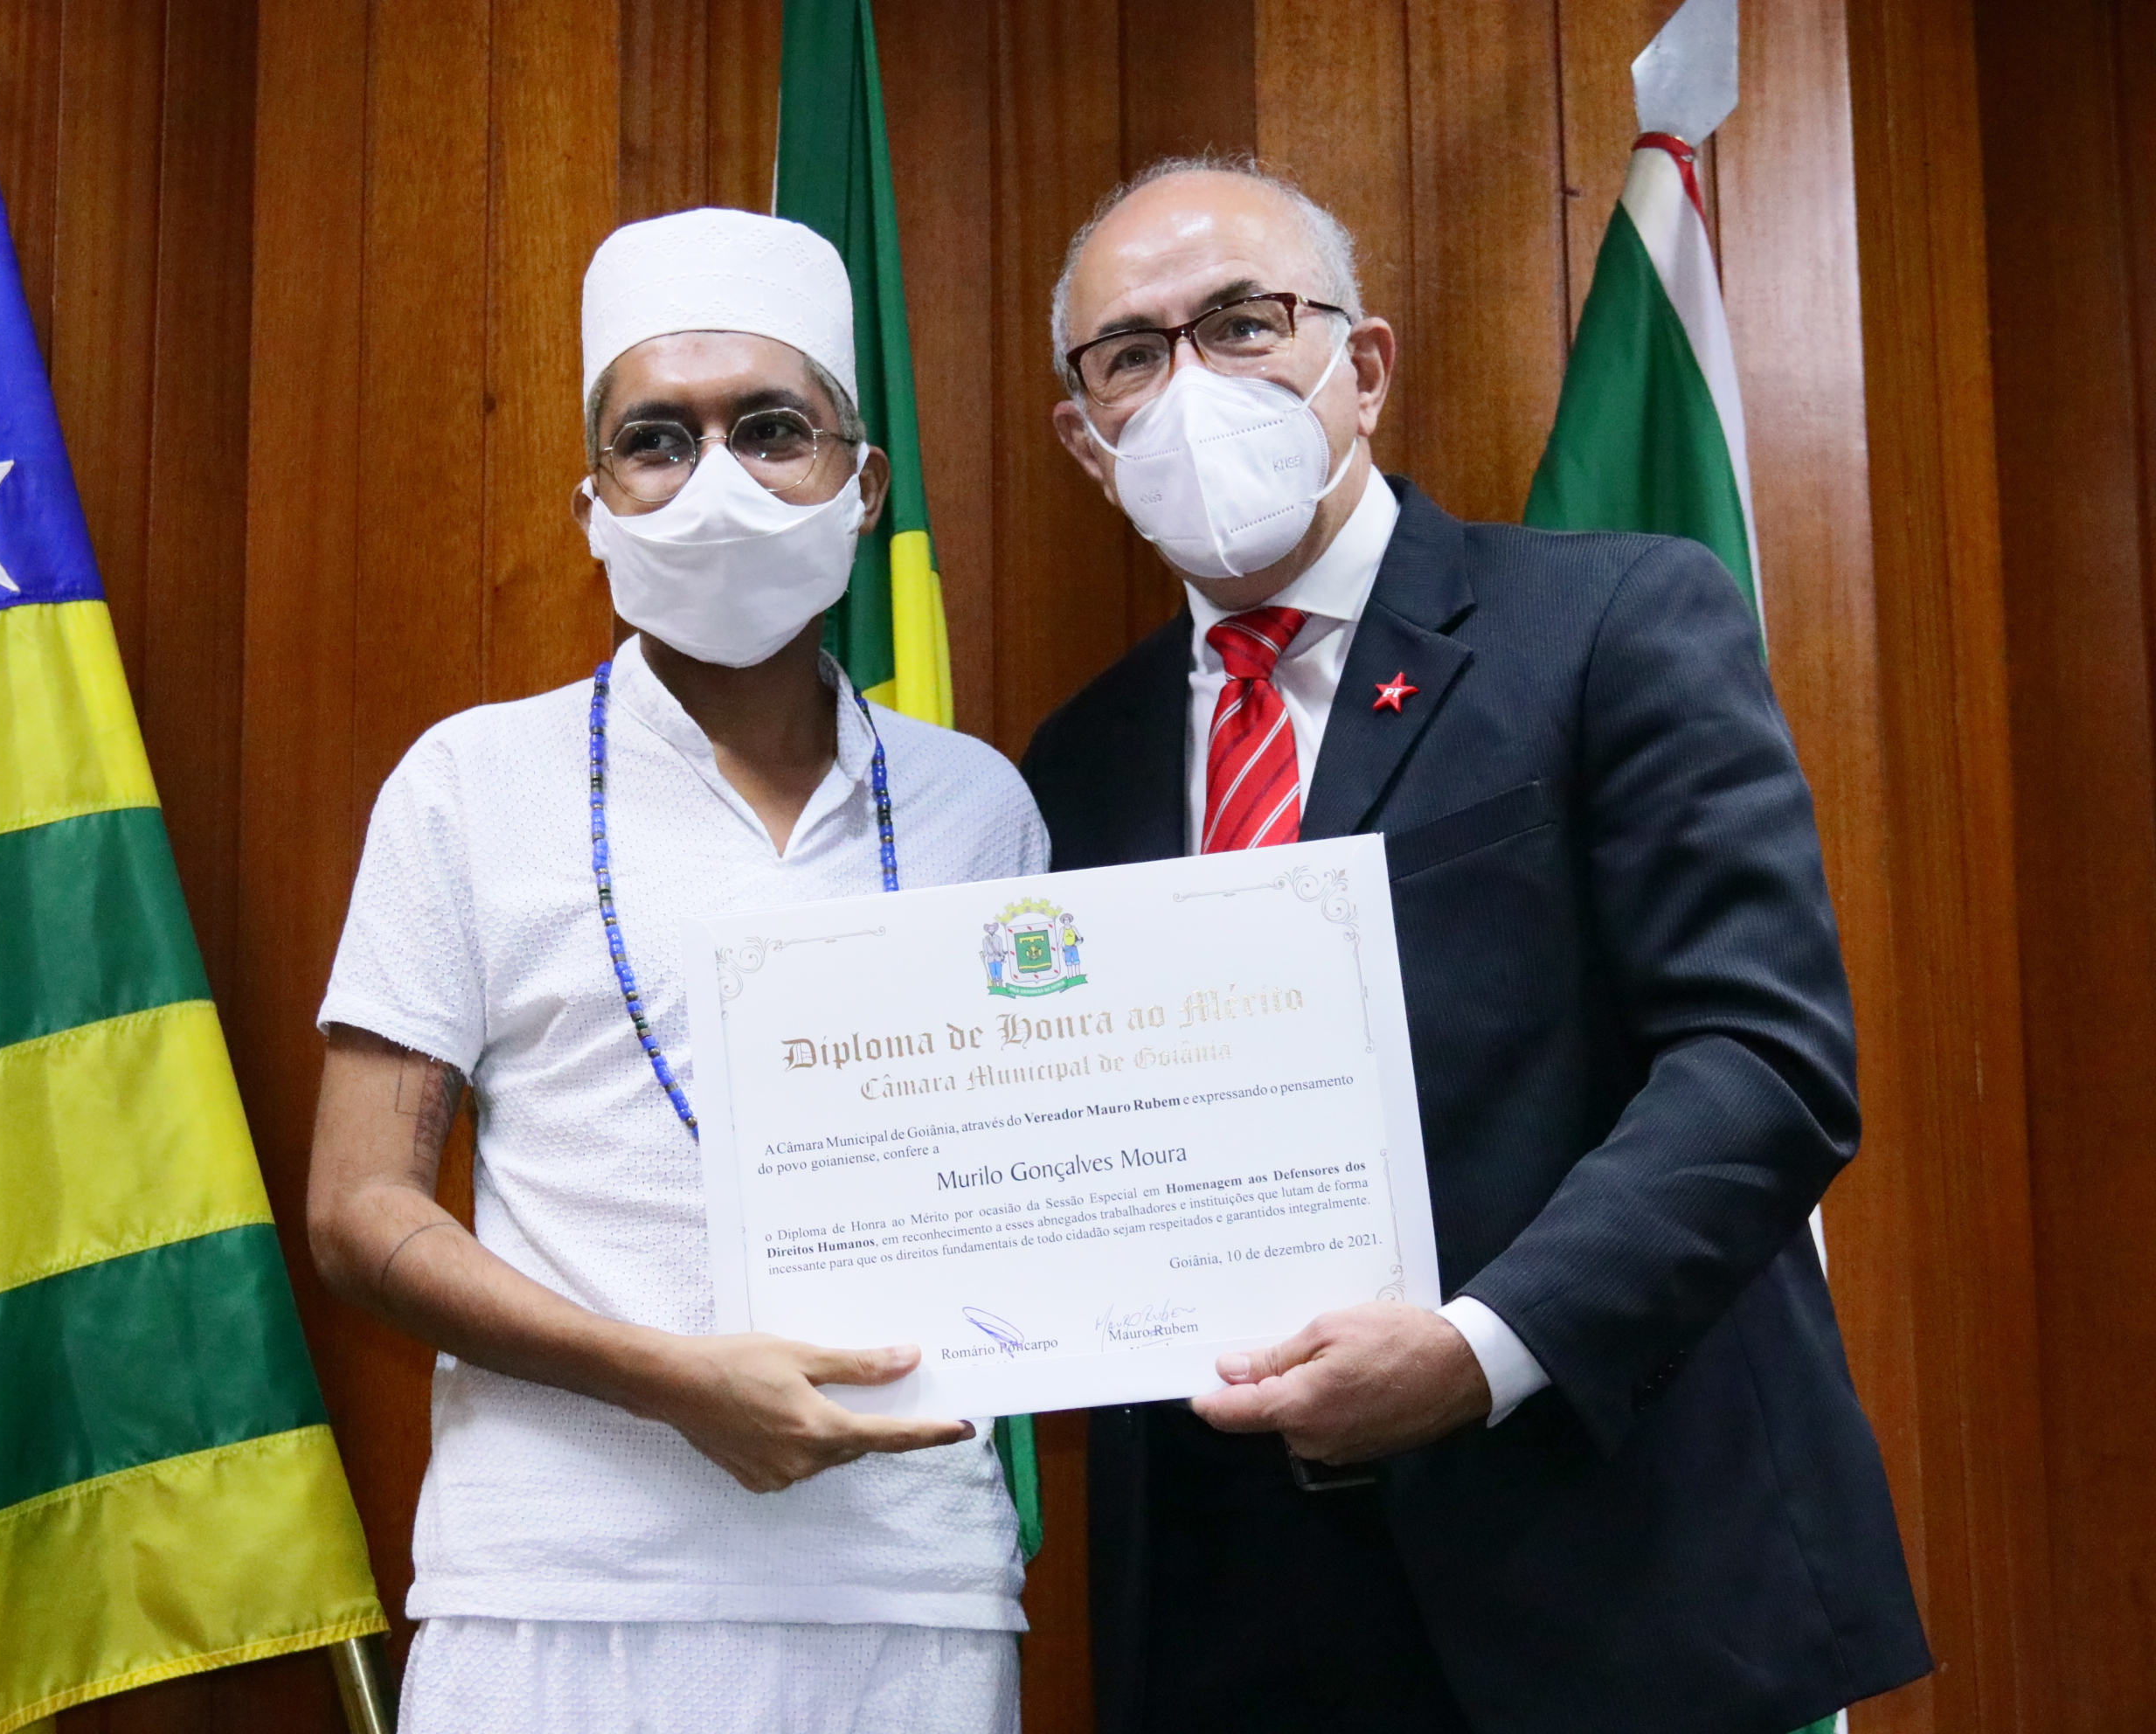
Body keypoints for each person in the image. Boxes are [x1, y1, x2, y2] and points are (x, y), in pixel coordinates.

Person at [1018, 156, 1931, 1734]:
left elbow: (1763, 1060)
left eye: (1242, 324)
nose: (1191, 383)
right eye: (1133, 354)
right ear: (1084, 438)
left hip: (1609, 1570)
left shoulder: (1612, 619)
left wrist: (1479, 1349)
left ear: (1363, 366)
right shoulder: (1076, 761)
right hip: (1239, 1609)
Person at [306, 207, 1045, 1734]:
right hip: (554, 1591)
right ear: (594, 506)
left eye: (771, 430)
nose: (715, 480)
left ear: (863, 486)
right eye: (657, 440)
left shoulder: (979, 804)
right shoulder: (469, 783)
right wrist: (670, 1380)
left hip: (907, 1587)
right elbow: (361, 1210)